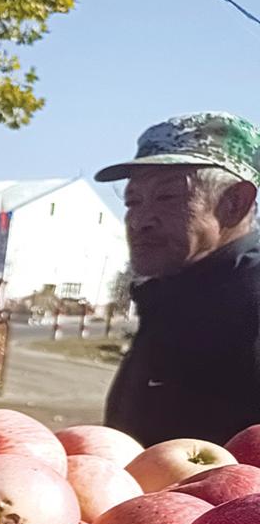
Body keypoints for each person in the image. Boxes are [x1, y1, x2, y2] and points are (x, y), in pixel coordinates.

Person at [97, 112, 260, 445]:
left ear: (234, 204)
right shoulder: (173, 290)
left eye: (167, 197)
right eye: (132, 201)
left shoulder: (251, 302)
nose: (140, 221)